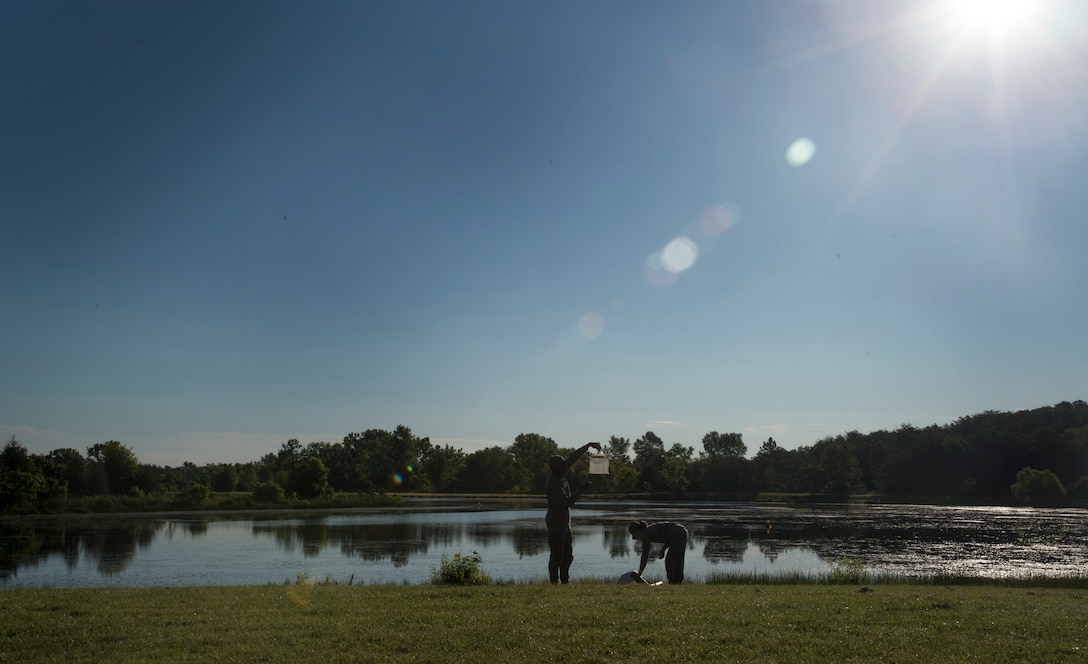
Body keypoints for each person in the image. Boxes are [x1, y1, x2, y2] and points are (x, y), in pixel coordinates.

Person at [544, 442, 602, 583]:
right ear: (557, 468)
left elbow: (573, 457)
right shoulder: (552, 483)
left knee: (568, 555)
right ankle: (553, 582)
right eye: (563, 466)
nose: (566, 466)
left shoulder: (561, 472)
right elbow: (566, 502)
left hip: (565, 522)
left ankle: (565, 580)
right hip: (555, 523)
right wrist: (581, 490)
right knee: (557, 555)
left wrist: (588, 445)